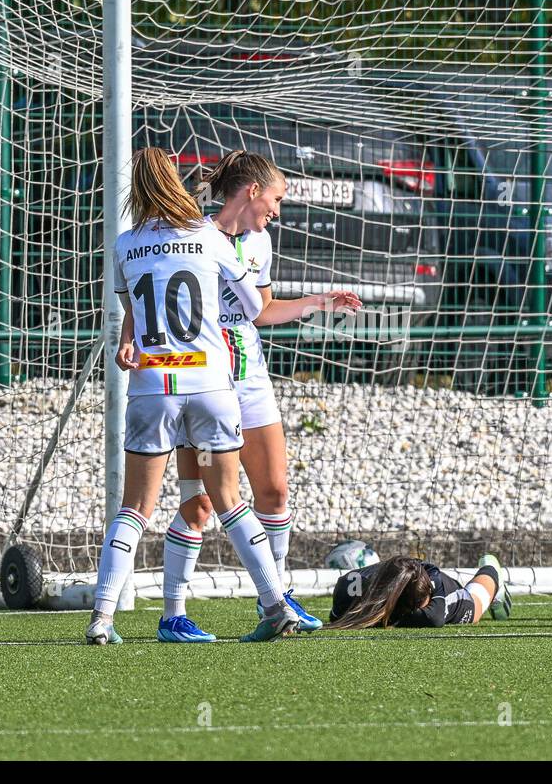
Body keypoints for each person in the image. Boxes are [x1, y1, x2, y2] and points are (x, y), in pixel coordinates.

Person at [87, 147, 296, 645]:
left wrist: (126, 342)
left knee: (135, 507)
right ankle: (274, 604)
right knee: (228, 500)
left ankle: (101, 619)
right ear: (177, 184)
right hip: (210, 386)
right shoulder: (208, 235)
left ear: (135, 190)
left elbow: (132, 318)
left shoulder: (123, 244)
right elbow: (250, 307)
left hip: (154, 386)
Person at [154, 150, 361, 643]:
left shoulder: (260, 243)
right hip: (201, 382)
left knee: (274, 492)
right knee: (200, 503)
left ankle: (276, 593)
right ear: (251, 191)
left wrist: (317, 302)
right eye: (277, 197)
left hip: (250, 383)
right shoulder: (191, 235)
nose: (279, 209)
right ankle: (173, 614)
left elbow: (260, 311)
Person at [327, 554, 512, 629]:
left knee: (477, 604)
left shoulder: (435, 608)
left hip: (440, 585)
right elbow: (335, 616)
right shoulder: (348, 587)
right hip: (399, 572)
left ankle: (491, 568)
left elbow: (434, 618)